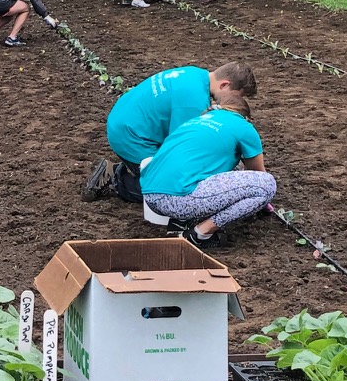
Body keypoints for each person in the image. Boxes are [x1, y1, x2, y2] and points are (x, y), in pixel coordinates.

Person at [139, 71, 275, 245]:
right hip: (177, 200)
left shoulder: (196, 121)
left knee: (225, 169)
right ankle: (199, 234)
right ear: (246, 117)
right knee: (266, 185)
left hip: (150, 195)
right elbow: (259, 173)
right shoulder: (244, 127)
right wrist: (262, 204)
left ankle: (182, 221)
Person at [89, 64, 251, 204]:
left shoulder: (195, 74)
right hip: (131, 136)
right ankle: (116, 180)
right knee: (170, 192)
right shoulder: (193, 102)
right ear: (224, 85)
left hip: (124, 119)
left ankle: (136, 170)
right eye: (237, 96)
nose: (235, 102)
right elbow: (184, 148)